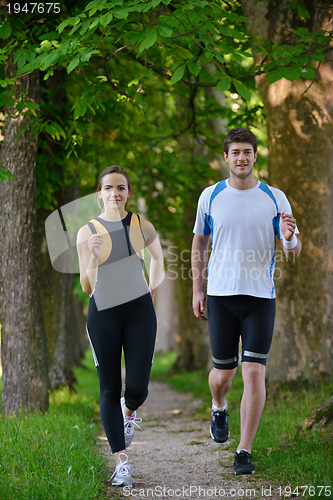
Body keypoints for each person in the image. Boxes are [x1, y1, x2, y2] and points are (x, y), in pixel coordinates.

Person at [191, 128, 301, 475]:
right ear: (226, 157)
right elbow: (198, 247)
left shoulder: (275, 197)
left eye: (247, 152)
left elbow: (294, 251)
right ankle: (218, 404)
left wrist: (289, 237)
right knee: (224, 374)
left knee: (254, 373)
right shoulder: (210, 196)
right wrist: (197, 290)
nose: (242, 157)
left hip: (260, 298)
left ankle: (243, 451)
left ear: (256, 157)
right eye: (235, 152)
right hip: (221, 296)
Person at [76, 166, 164, 486]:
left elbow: (157, 259)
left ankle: (130, 411)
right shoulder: (87, 232)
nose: (115, 192)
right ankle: (121, 461)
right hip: (104, 314)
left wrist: (152, 289)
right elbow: (87, 286)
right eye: (109, 188)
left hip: (140, 311)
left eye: (121, 188)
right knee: (110, 386)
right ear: (99, 194)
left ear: (128, 193)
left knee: (137, 387)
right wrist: (92, 257)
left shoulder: (142, 225)